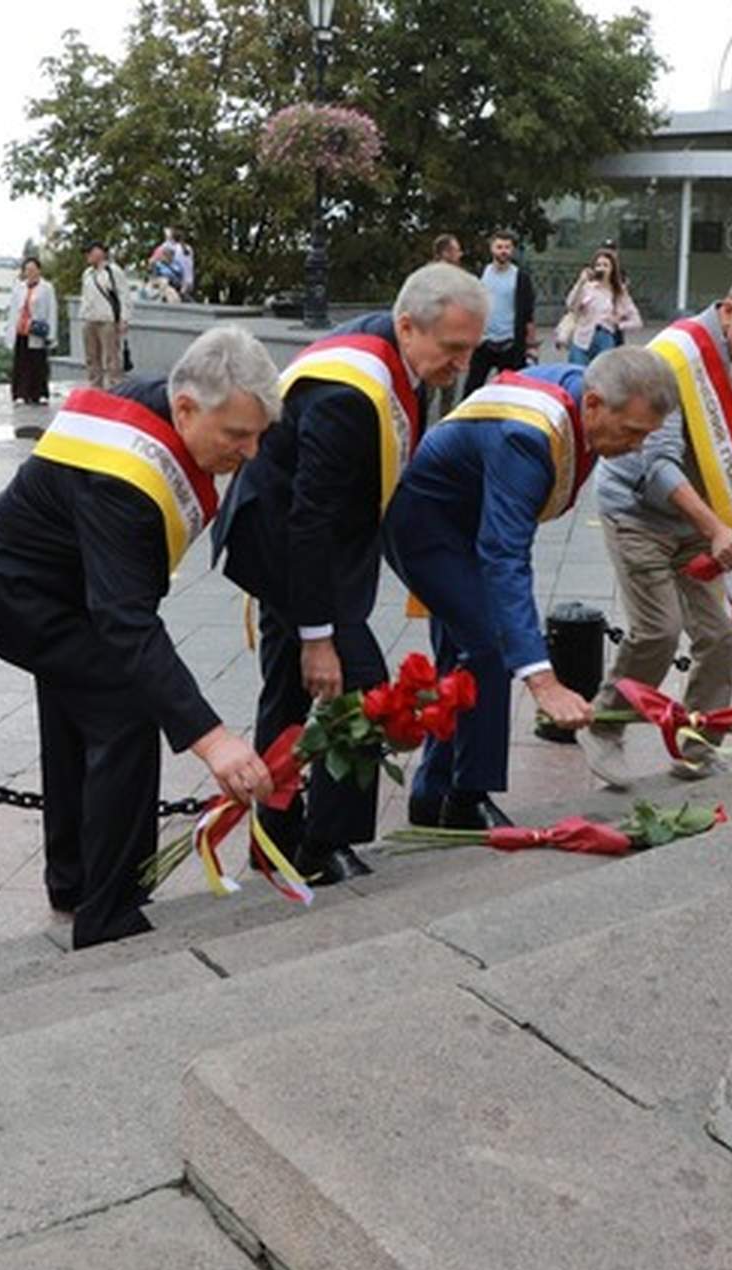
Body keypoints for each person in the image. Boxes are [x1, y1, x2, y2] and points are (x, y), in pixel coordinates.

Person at [0, 328, 280, 948]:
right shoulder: (125, 478)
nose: (251, 452)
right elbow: (128, 624)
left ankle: (74, 881)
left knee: (82, 707)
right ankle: (111, 915)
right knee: (124, 708)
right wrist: (214, 741)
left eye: (258, 434)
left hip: (61, 585)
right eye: (237, 436)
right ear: (185, 408)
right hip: (12, 591)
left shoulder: (168, 401)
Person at [215, 264, 487, 884]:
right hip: (283, 542)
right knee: (362, 687)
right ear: (408, 325)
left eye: (472, 349)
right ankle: (319, 845)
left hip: (305, 538)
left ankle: (275, 841)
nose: (463, 365)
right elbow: (309, 521)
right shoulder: (349, 397)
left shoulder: (398, 356)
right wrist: (319, 635)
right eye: (453, 349)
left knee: (287, 692)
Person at [381, 345, 676, 830]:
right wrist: (542, 678)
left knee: (464, 651)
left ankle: (433, 794)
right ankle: (465, 798)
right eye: (631, 432)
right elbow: (504, 555)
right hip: (428, 528)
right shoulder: (529, 438)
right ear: (596, 404)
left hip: (470, 519)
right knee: (489, 648)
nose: (637, 448)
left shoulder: (587, 389)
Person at [580, 260, 732, 788]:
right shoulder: (677, 358)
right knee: (659, 630)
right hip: (638, 514)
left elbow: (728, 452)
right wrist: (717, 528)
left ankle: (698, 744)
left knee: (719, 633)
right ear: (728, 311)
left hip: (695, 523)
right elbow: (654, 465)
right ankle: (604, 727)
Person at [463, 230, 536, 392]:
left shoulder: (521, 277)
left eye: (507, 247)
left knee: (513, 391)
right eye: (499, 247)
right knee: (471, 389)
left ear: (512, 250)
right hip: (484, 342)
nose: (503, 251)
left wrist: (531, 346)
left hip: (510, 343)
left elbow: (528, 314)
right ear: (491, 249)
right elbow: (470, 307)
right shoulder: (480, 274)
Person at [561, 249, 642, 366]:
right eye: (598, 265)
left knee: (601, 377)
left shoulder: (618, 293)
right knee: (578, 374)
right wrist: (580, 283)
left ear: (612, 269)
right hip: (582, 339)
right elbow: (571, 305)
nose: (601, 268)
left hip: (605, 339)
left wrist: (618, 324)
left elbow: (637, 321)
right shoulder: (588, 287)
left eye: (605, 265)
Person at [78, 241, 132, 390]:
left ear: (100, 253)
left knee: (112, 358)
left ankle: (115, 387)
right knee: (91, 357)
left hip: (107, 320)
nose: (87, 256)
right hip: (90, 319)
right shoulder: (87, 273)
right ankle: (95, 387)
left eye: (90, 252)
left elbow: (124, 295)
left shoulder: (113, 271)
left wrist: (124, 319)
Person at [7, 255, 56, 406]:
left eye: (33, 269)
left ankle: (40, 393)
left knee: (38, 362)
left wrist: (51, 333)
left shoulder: (46, 288)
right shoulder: (19, 287)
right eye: (27, 269)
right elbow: (14, 310)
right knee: (21, 363)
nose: (30, 272)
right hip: (21, 329)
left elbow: (51, 310)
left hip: (36, 329)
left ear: (39, 270)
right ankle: (20, 394)